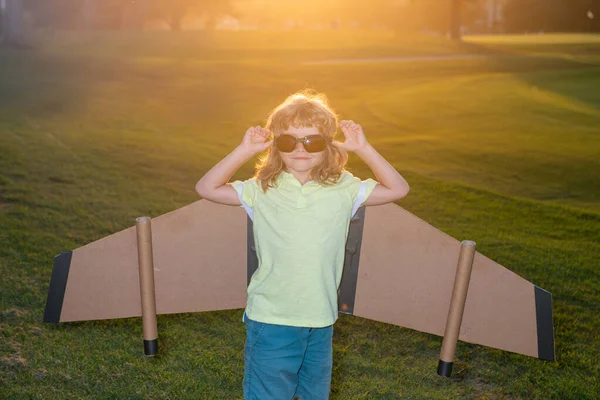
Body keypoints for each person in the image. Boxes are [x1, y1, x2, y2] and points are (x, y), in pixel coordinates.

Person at [195, 90, 409, 400]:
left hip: (320, 319)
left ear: (328, 145)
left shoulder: (344, 187)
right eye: (287, 141)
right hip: (271, 319)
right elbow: (206, 188)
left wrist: (363, 148)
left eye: (312, 141)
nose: (300, 149)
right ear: (275, 147)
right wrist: (244, 151)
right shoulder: (262, 188)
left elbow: (398, 188)